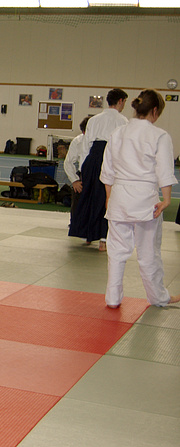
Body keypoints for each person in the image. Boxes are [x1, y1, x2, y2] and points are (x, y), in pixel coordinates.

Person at [100, 89, 180, 309]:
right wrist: (166, 199)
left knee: (116, 251)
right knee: (148, 253)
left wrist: (109, 197)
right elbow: (164, 170)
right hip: (146, 200)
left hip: (119, 197)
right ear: (155, 110)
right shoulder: (159, 136)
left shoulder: (118, 133)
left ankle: (112, 298)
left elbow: (107, 171)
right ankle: (158, 297)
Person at [69, 88, 128, 252]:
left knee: (89, 198)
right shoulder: (123, 121)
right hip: (112, 159)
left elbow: (86, 146)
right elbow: (124, 147)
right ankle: (103, 239)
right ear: (121, 101)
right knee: (107, 199)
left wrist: (83, 170)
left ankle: (87, 235)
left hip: (93, 159)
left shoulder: (94, 120)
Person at [63, 116, 91, 214]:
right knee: (78, 208)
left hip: (98, 176)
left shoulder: (101, 141)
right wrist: (74, 180)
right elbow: (68, 162)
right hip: (82, 177)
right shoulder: (78, 141)